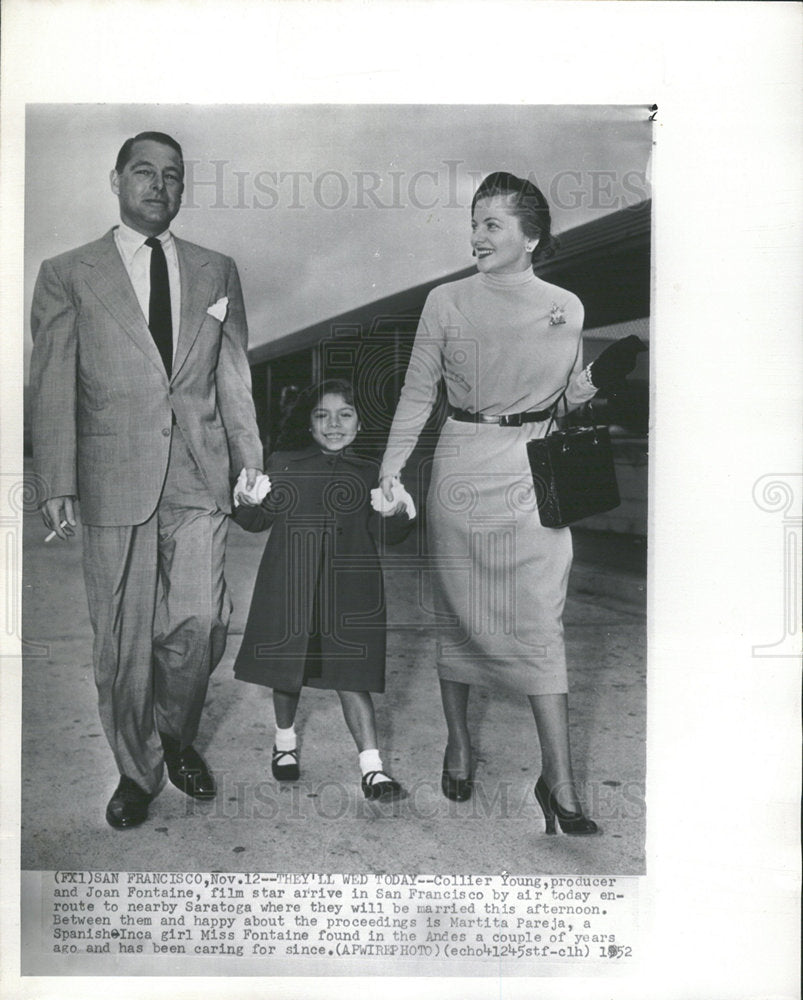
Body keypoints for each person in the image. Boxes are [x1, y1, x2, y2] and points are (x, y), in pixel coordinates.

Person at [379, 171, 645, 834]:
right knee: (460, 618)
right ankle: (460, 743)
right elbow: (418, 394)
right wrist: (389, 471)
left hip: (533, 473)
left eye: (491, 224)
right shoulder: (445, 301)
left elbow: (559, 399)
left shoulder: (566, 306)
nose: (476, 235)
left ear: (530, 236)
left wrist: (588, 384)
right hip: (461, 467)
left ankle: (559, 787)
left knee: (538, 621)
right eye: (473, 222)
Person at [29, 131, 264, 829]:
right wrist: (56, 477)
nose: (159, 185)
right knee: (121, 643)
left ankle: (176, 731)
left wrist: (251, 461)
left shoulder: (216, 270)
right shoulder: (68, 272)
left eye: (173, 175)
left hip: (200, 476)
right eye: (144, 172)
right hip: (111, 476)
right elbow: (52, 384)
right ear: (116, 180)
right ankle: (137, 769)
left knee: (202, 622)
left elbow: (234, 375)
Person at [232, 380, 414, 801]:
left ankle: (373, 771)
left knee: (353, 677)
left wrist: (398, 509)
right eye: (322, 415)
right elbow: (256, 521)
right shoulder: (283, 463)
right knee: (286, 671)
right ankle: (284, 744)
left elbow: (389, 534)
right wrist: (247, 498)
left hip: (351, 591)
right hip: (289, 586)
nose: (334, 424)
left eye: (345, 414)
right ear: (310, 426)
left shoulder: (371, 472)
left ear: (360, 422)